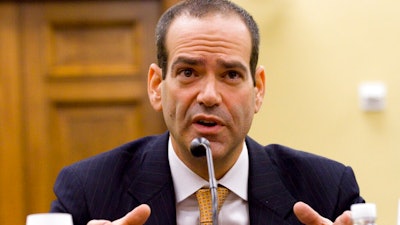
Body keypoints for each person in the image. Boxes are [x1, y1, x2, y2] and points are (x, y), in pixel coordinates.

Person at [50, 0, 365, 224]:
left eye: (230, 75)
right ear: (156, 85)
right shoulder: (88, 192)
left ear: (258, 90)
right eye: (188, 73)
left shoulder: (328, 189)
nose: (210, 96)